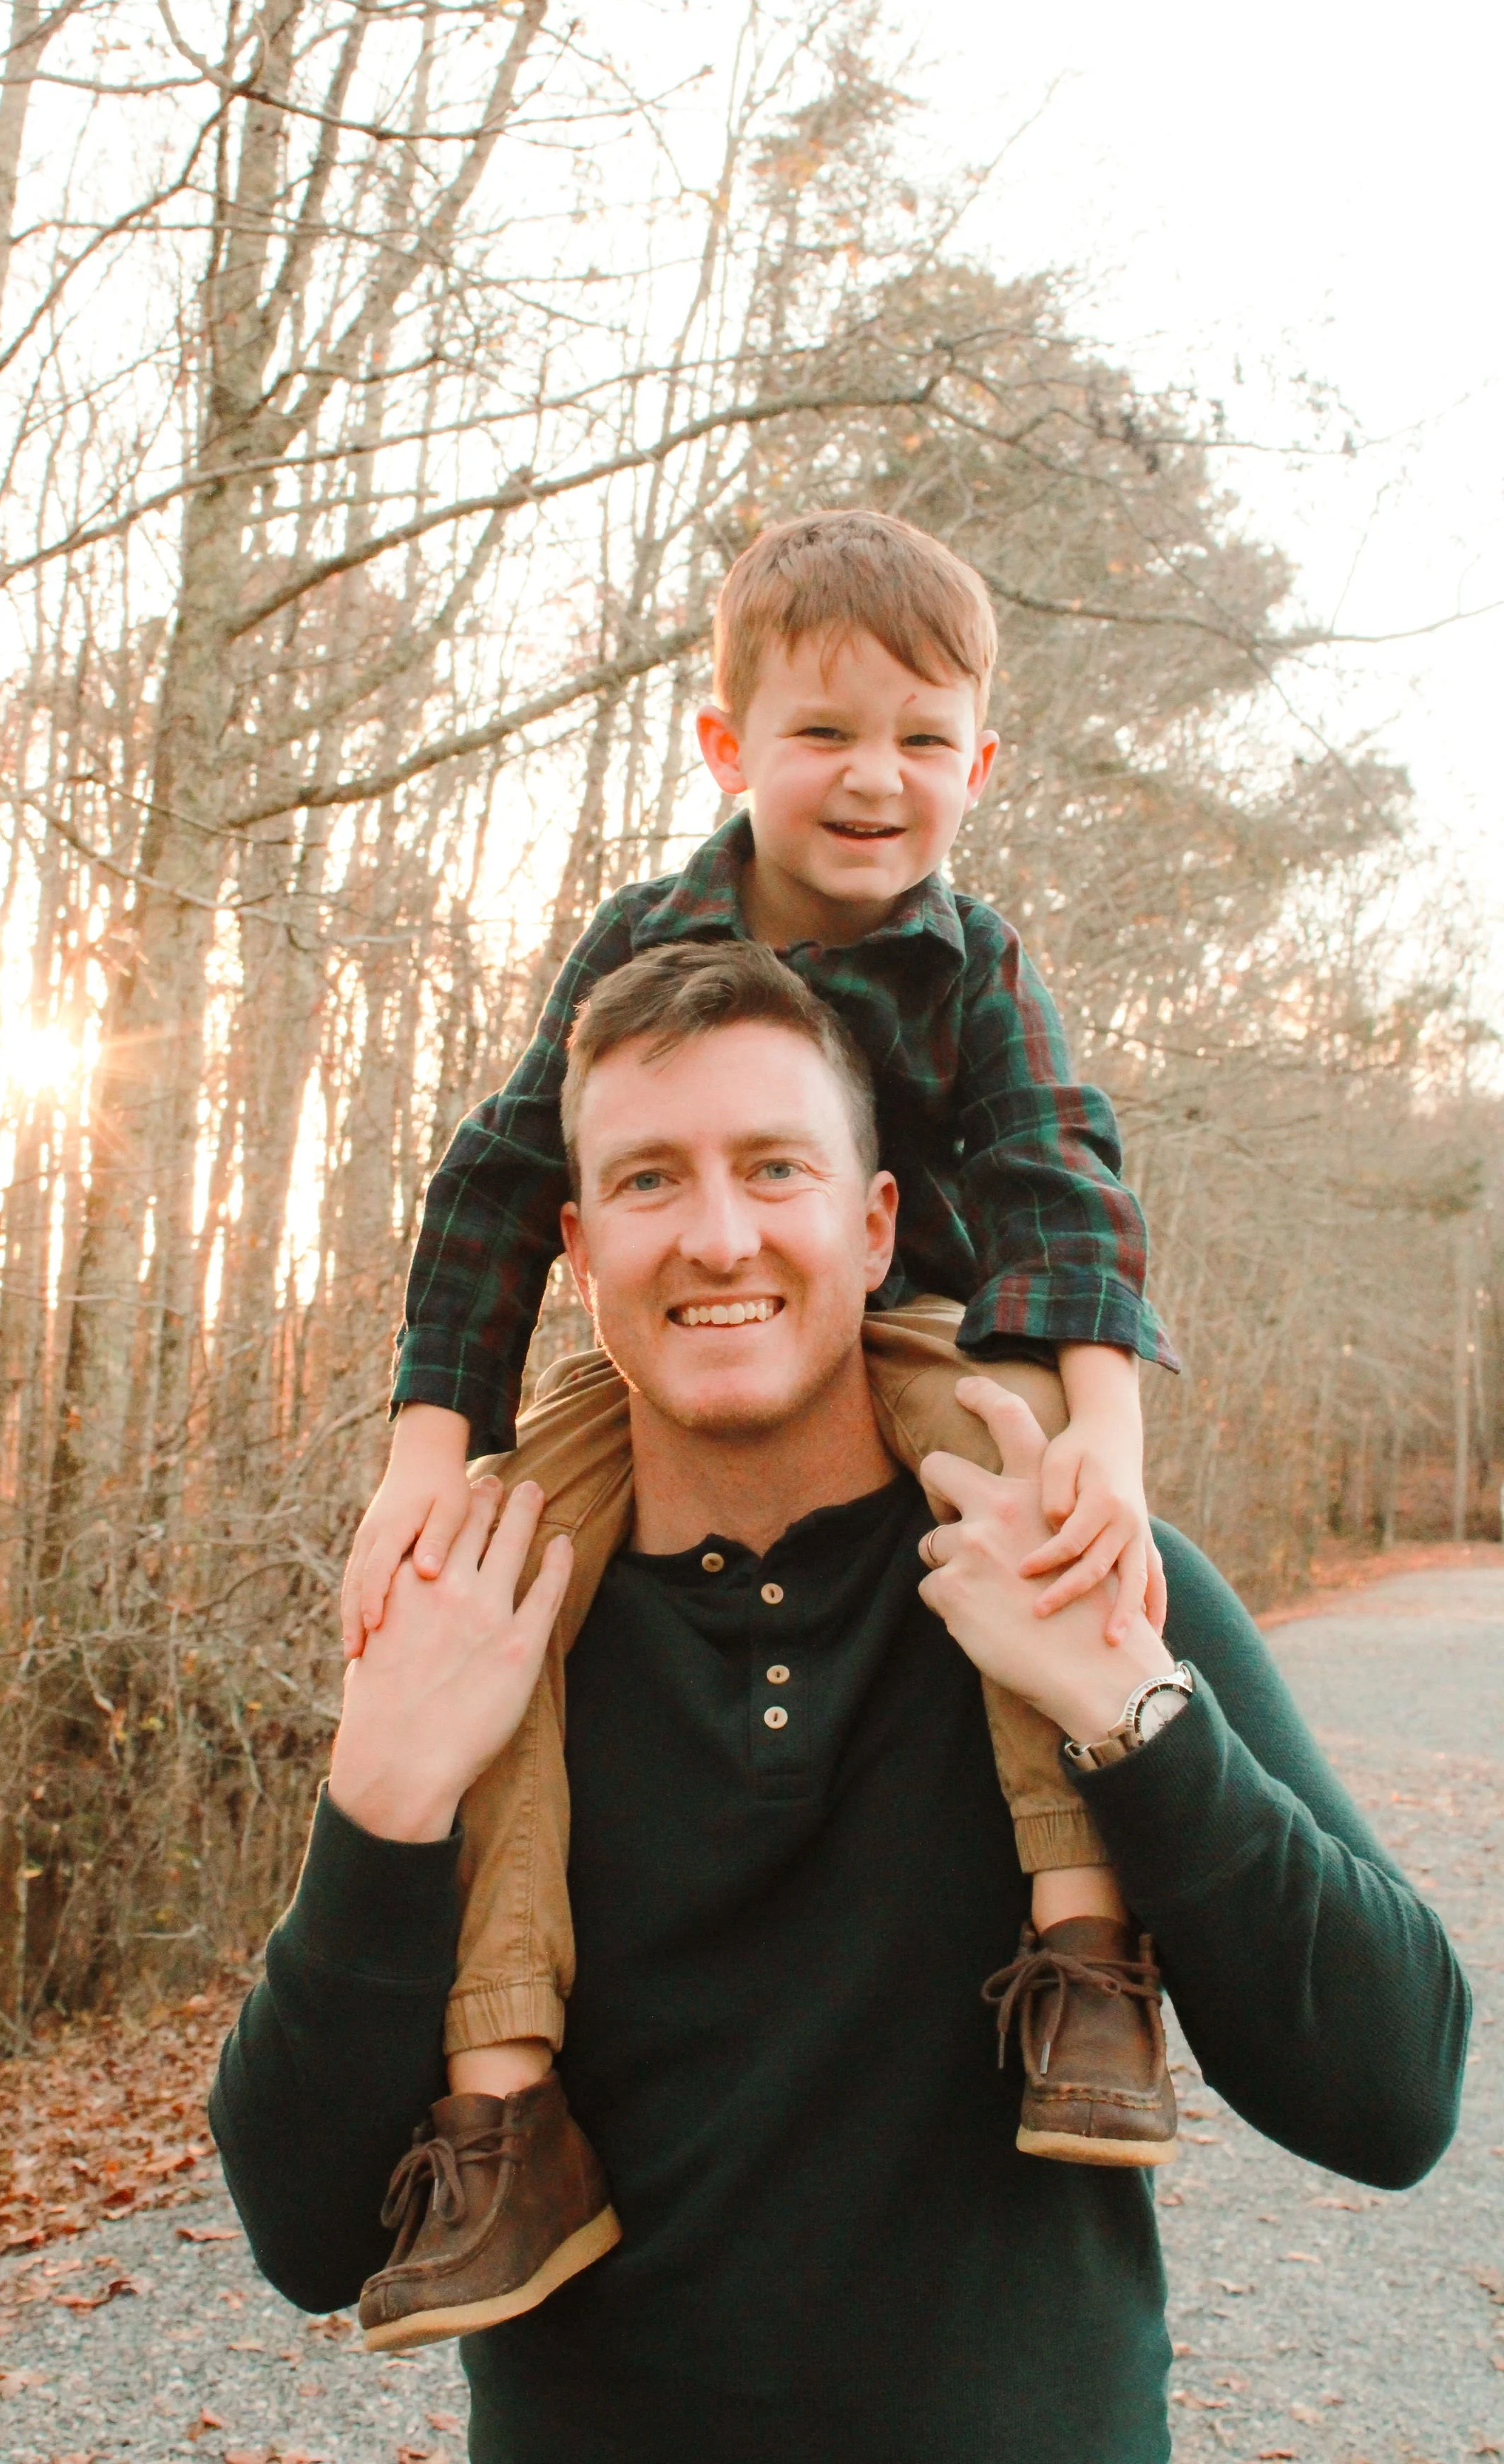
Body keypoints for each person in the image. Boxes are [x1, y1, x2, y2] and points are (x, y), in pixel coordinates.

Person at [211, 951, 1467, 2463]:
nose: (717, 1236)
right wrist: (384, 1799)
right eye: (651, 1180)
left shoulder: (1072, 1568)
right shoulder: (485, 1626)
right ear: (580, 1250)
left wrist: (1126, 1705)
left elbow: (1394, 2098)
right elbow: (306, 2237)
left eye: (776, 1168)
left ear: (876, 1228)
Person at [338, 512, 1192, 2334]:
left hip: (927, 1338)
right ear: (729, 746)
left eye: (923, 738)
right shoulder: (645, 937)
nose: (875, 778)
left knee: (1022, 1478)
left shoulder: (975, 961)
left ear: (981, 764)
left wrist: (1104, 1447)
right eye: (824, 732)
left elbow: (1059, 1184)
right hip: (674, 1365)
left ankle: (1086, 1952)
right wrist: (427, 1453)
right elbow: (499, 1184)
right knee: (494, 1576)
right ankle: (506, 2110)